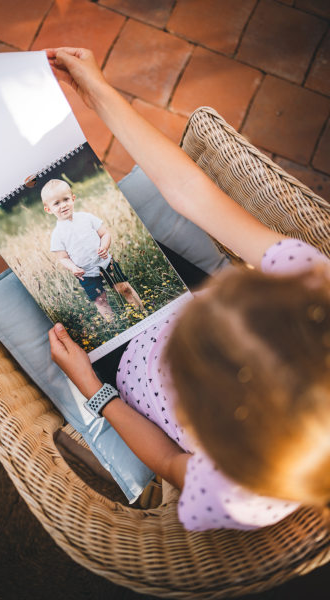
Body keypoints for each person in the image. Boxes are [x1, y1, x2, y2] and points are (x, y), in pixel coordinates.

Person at [46, 47, 330, 531]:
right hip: (166, 288)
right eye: (230, 291)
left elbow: (171, 463)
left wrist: (94, 389)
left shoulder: (235, 493)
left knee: (49, 294)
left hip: (122, 371)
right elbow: (192, 192)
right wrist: (97, 91)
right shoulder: (312, 287)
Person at [41, 177, 144, 320]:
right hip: (86, 272)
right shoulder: (57, 234)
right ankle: (114, 325)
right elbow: (62, 258)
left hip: (106, 262)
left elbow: (105, 233)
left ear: (73, 198)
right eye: (56, 203)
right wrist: (73, 268)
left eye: (66, 200)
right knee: (100, 300)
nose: (63, 205)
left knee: (124, 288)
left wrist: (104, 246)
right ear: (48, 209)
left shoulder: (86, 217)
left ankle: (142, 312)